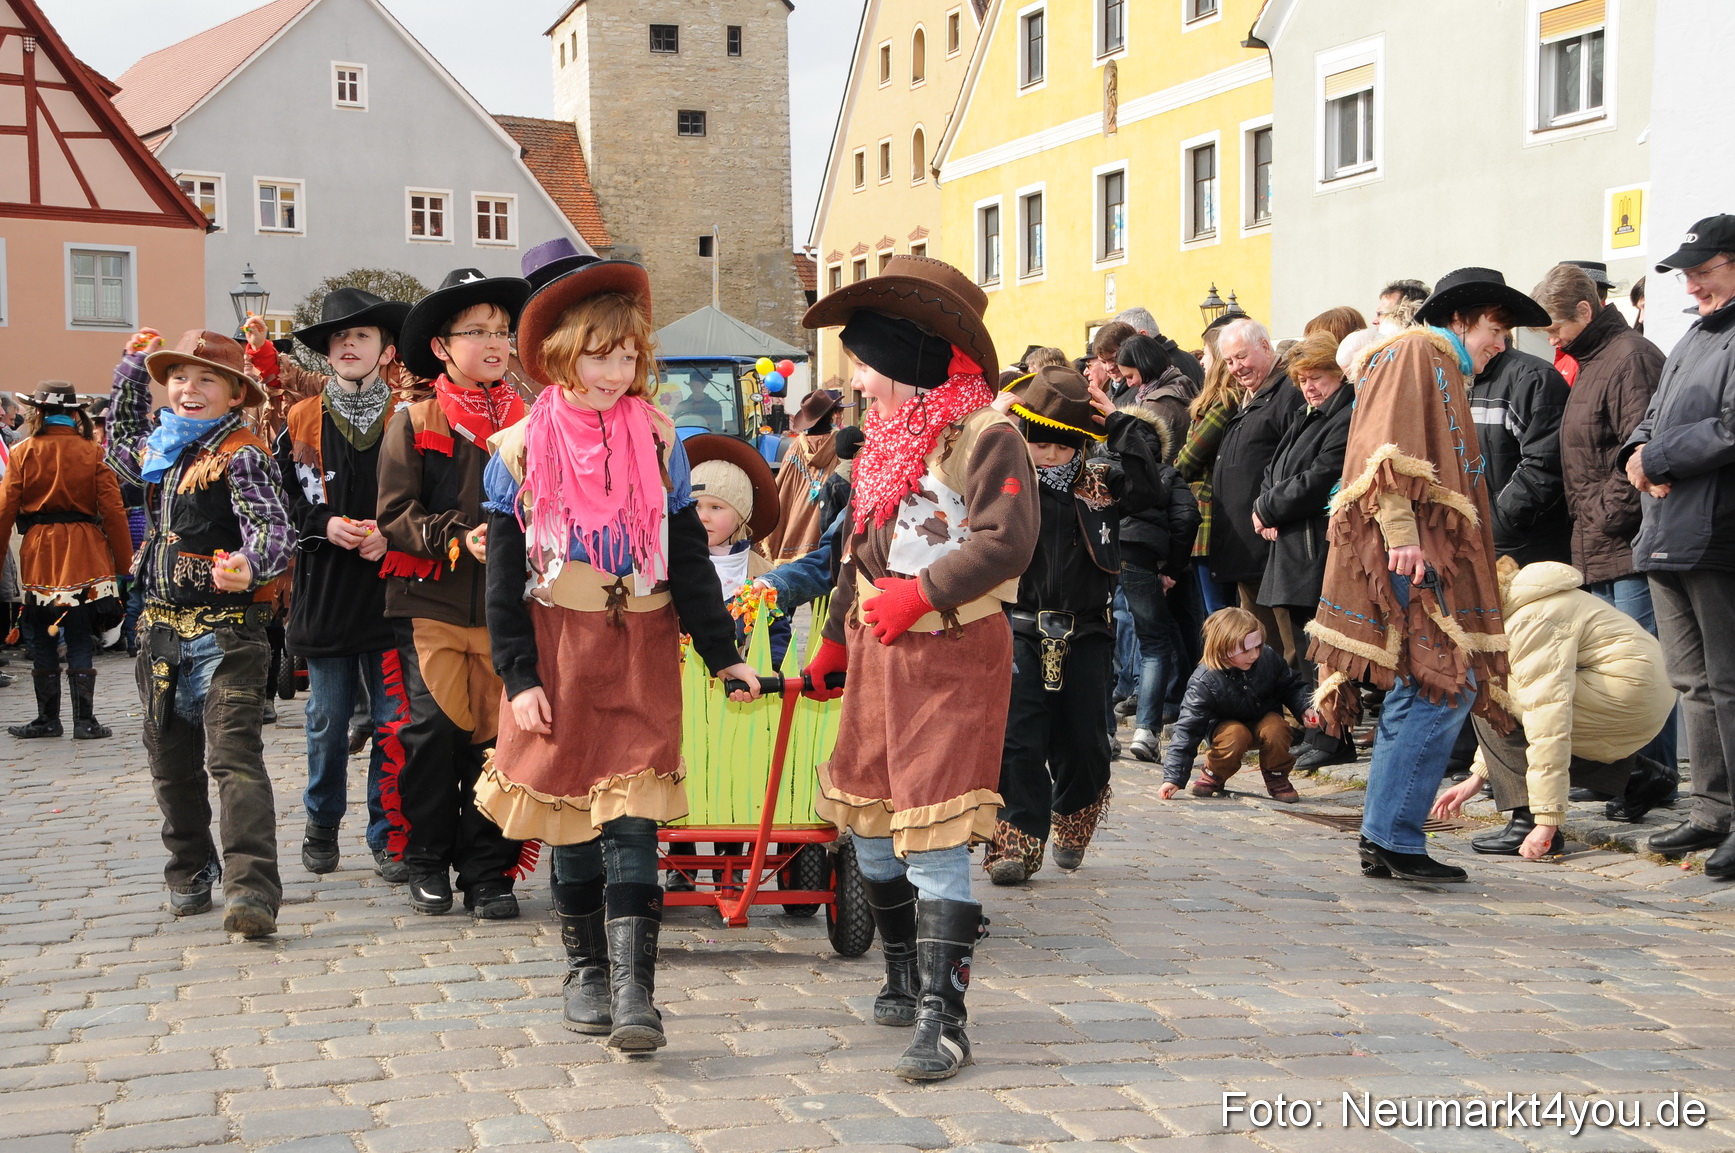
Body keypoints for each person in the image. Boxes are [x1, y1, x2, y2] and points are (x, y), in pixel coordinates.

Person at [477, 257, 759, 1051]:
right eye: (598, 354)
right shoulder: (517, 449)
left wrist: (722, 653)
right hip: (556, 644)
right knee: (567, 814)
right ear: (564, 355)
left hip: (639, 639)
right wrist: (519, 675)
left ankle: (638, 991)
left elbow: (688, 558)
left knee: (632, 818)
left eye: (628, 355)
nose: (615, 371)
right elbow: (501, 581)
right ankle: (587, 973)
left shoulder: (661, 439)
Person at [799, 255, 1038, 1082]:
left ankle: (945, 1017)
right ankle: (901, 970)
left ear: (901, 364)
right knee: (867, 826)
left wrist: (922, 595)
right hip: (875, 651)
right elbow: (854, 550)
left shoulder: (985, 432)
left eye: (864, 364)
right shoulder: (885, 442)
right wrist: (835, 637)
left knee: (933, 833)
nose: (856, 383)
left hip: (951, 652)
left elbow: (1005, 540)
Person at [1308, 268, 1539, 883]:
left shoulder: (1434, 361)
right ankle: (1394, 837)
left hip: (1423, 553)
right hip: (1415, 559)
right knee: (1442, 684)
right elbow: (1385, 452)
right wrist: (1404, 538)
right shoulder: (1417, 351)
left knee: (1425, 687)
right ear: (1462, 318)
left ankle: (1386, 835)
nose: (1501, 342)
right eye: (1496, 327)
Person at [106, 329, 295, 938]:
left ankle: (252, 893)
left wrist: (250, 564)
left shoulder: (242, 452)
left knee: (234, 762)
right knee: (169, 763)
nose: (190, 389)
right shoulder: (163, 448)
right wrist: (132, 370)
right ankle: (189, 868)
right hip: (159, 630)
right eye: (179, 377)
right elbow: (119, 447)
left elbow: (276, 533)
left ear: (236, 392)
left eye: (206, 378)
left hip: (229, 635)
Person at [377, 268, 533, 919]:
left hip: (510, 610)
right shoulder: (413, 422)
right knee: (434, 734)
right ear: (442, 345)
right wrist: (453, 536)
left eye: (502, 330)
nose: (495, 342)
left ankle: (488, 871)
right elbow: (394, 516)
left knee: (501, 743)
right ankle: (424, 858)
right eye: (479, 332)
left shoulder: (533, 420)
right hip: (431, 606)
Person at [983, 365, 1163, 884]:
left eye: (1062, 446)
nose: (1050, 456)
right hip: (1017, 624)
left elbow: (1152, 491)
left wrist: (1122, 425)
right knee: (1018, 736)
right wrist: (996, 418)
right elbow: (957, 467)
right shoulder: (1004, 481)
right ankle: (1015, 840)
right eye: (1039, 443)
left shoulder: (1102, 481)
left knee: (1085, 742)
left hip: (1086, 630)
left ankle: (1072, 816)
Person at [269, 289, 413, 880]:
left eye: (361, 336)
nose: (348, 345)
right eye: (337, 338)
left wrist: (393, 534)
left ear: (385, 350)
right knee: (327, 722)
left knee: (391, 725)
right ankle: (321, 822)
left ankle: (387, 834)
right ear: (327, 353)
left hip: (390, 594)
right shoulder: (300, 421)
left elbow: (423, 502)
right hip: (326, 592)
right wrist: (324, 523)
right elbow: (281, 500)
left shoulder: (408, 418)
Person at [1619, 215, 1735, 879]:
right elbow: (1653, 414)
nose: (1690, 283)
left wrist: (1655, 454)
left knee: (1726, 683)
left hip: (1716, 531)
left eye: (1702, 269)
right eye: (1686, 272)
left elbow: (1726, 428)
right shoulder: (1693, 333)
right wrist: (1636, 451)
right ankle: (1710, 808)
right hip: (1664, 529)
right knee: (1690, 680)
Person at [1432, 558, 1677, 857]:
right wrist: (1480, 775)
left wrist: (1546, 823)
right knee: (1501, 692)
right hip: (1635, 696)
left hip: (1625, 697)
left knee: (1495, 696)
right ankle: (1638, 777)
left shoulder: (1529, 621)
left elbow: (1547, 719)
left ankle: (1527, 820)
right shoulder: (1523, 600)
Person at [1536, 262, 1677, 775]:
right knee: (1609, 670)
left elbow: (1640, 450)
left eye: (1555, 326)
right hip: (1600, 540)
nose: (1551, 339)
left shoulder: (1630, 358)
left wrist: (1601, 516)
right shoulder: (1595, 357)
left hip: (1627, 542)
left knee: (1642, 671)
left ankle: (1652, 775)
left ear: (1584, 310)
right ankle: (1625, 775)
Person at [0, 383, 132, 739]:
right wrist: (125, 565)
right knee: (77, 631)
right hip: (86, 549)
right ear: (76, 414)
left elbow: (3, 512)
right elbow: (115, 512)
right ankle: (84, 721)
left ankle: (47, 719)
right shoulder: (93, 452)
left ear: (37, 413)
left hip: (41, 550)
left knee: (42, 634)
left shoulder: (21, 451)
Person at [1251, 334, 1356, 772]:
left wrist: (1267, 506)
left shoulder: (1345, 416)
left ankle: (1334, 737)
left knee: (1324, 650)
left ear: (1338, 375)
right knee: (1303, 647)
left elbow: (1322, 477)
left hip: (1316, 546)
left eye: (1317, 378)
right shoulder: (1305, 414)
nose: (1309, 387)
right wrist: (1263, 504)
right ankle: (1317, 731)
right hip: (1292, 546)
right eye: (1303, 380)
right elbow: (1273, 470)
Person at [1201, 319, 1305, 661]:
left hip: (1273, 545)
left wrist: (1275, 512)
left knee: (1287, 645)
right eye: (1229, 362)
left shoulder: (1287, 394)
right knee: (1260, 643)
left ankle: (1299, 711)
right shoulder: (1250, 397)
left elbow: (1296, 463)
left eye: (1241, 357)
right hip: (1248, 546)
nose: (1236, 368)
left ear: (1265, 346)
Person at [1157, 607, 1316, 801]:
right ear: (1222, 648)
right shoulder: (1204, 681)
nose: (1254, 655)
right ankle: (1214, 773)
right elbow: (1187, 731)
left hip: (1263, 719)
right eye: (1246, 650)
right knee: (1236, 734)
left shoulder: (1267, 657)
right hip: (1225, 729)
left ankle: (1277, 776)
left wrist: (1304, 708)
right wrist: (1173, 778)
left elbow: (1291, 685)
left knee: (1277, 728)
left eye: (1257, 646)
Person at [1467, 290, 1572, 566]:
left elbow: (1546, 464)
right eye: (1494, 331)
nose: (1500, 344)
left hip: (1523, 550)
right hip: (1474, 545)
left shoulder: (1532, 378)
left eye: (1503, 332)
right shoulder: (1451, 379)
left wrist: (1496, 521)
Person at [760, 388, 852, 563]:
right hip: (831, 508)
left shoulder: (796, 446)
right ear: (831, 414)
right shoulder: (840, 442)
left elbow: (782, 488)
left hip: (797, 519)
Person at [1115, 334, 1196, 460]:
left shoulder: (1156, 404)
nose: (1129, 384)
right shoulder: (1182, 383)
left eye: (1130, 376)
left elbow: (1145, 454)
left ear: (1145, 366)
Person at [1113, 307, 1205, 387]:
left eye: (1124, 342)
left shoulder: (1164, 367)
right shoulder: (1184, 358)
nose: (1121, 350)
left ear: (1143, 335)